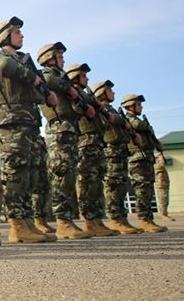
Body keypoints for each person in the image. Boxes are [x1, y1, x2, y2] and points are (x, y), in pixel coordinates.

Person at [0, 17, 52, 244]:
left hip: (29, 122)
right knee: (16, 173)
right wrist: (35, 79)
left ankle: (27, 221)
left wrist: (42, 89)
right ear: (5, 36)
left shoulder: (23, 62)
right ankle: (17, 225)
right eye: (16, 32)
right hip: (12, 121)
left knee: (30, 174)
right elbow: (5, 67)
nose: (22, 35)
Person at [37, 42, 93, 240]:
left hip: (68, 130)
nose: (63, 59)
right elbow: (48, 80)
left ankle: (68, 219)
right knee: (61, 174)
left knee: (69, 175)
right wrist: (70, 89)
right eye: (59, 56)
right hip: (58, 130)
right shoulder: (47, 75)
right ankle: (62, 221)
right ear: (49, 58)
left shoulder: (62, 79)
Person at [67, 63, 118, 237]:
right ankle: (90, 220)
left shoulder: (86, 97)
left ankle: (96, 220)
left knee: (96, 183)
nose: (87, 78)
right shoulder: (74, 96)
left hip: (95, 143)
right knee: (87, 183)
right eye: (83, 75)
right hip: (86, 143)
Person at [94, 80, 143, 235]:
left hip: (120, 151)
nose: (113, 93)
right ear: (101, 93)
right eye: (109, 90)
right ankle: (115, 219)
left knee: (122, 186)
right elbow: (109, 120)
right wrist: (123, 122)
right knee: (113, 186)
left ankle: (122, 218)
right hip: (111, 152)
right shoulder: (101, 109)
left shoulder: (112, 109)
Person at [122, 94, 167, 233]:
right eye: (138, 104)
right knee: (141, 190)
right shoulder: (129, 120)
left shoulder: (139, 122)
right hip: (137, 159)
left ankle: (148, 218)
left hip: (146, 158)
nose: (141, 107)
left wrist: (156, 143)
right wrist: (148, 128)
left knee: (148, 190)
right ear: (130, 106)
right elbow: (137, 125)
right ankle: (144, 219)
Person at [154, 154, 172, 221]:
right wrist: (160, 157)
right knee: (162, 201)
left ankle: (165, 214)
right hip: (161, 186)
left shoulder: (160, 166)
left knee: (165, 201)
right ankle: (163, 215)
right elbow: (162, 164)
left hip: (164, 185)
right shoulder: (156, 165)